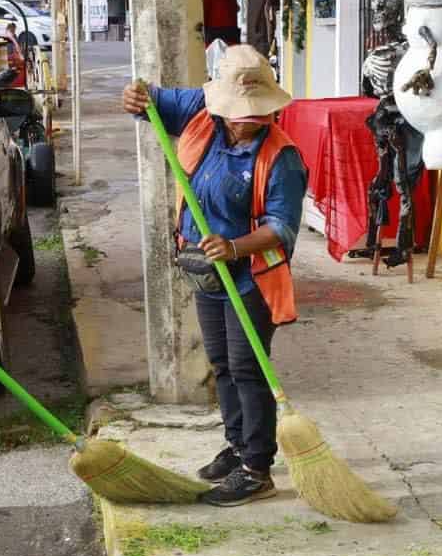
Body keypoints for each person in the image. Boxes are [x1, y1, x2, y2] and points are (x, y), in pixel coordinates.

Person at [121, 45, 308, 506]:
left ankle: (257, 466)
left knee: (248, 368)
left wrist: (234, 247)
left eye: (256, 113)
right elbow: (153, 99)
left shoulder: (282, 158)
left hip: (251, 278)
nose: (247, 120)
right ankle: (237, 442)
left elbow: (282, 226)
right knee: (222, 364)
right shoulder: (200, 111)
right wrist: (137, 97)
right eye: (239, 113)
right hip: (205, 273)